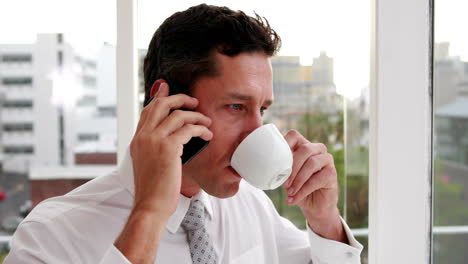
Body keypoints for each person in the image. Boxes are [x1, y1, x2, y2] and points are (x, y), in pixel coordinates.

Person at [5, 4, 363, 264]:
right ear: (170, 104)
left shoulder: (250, 207)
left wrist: (325, 222)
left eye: (263, 110)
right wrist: (149, 214)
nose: (257, 132)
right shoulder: (50, 235)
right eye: (236, 107)